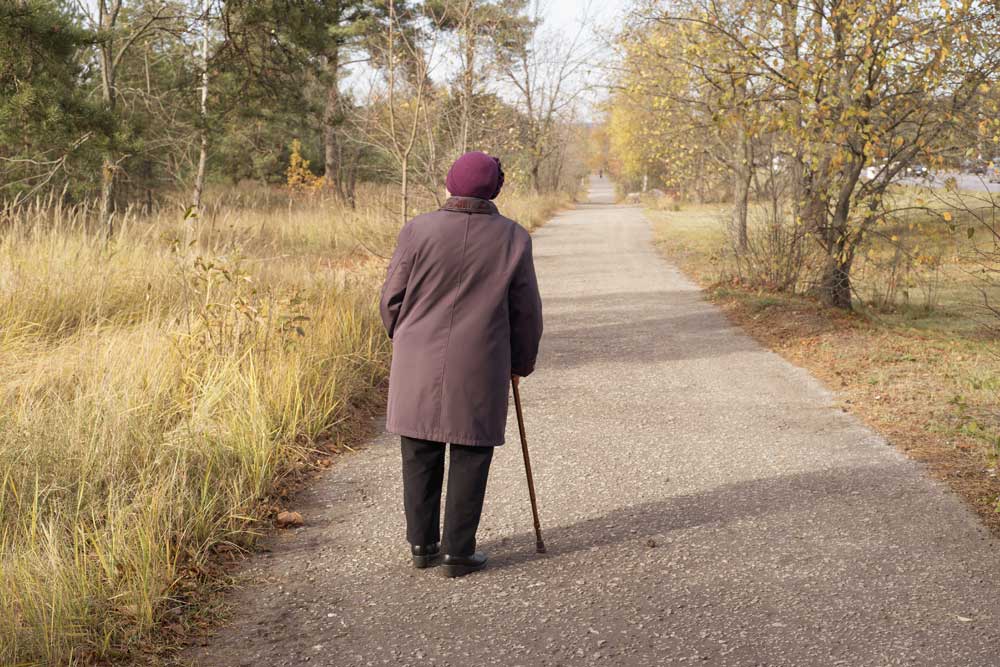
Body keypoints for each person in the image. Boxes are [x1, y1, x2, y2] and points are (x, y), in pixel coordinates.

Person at [379, 151, 544, 578]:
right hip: (481, 360)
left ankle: (422, 546)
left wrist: (403, 335)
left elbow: (391, 298)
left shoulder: (418, 229)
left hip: (417, 356)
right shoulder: (513, 237)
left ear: (450, 184)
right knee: (471, 451)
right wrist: (520, 362)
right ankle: (457, 552)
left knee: (419, 448)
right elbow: (526, 310)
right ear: (494, 190)